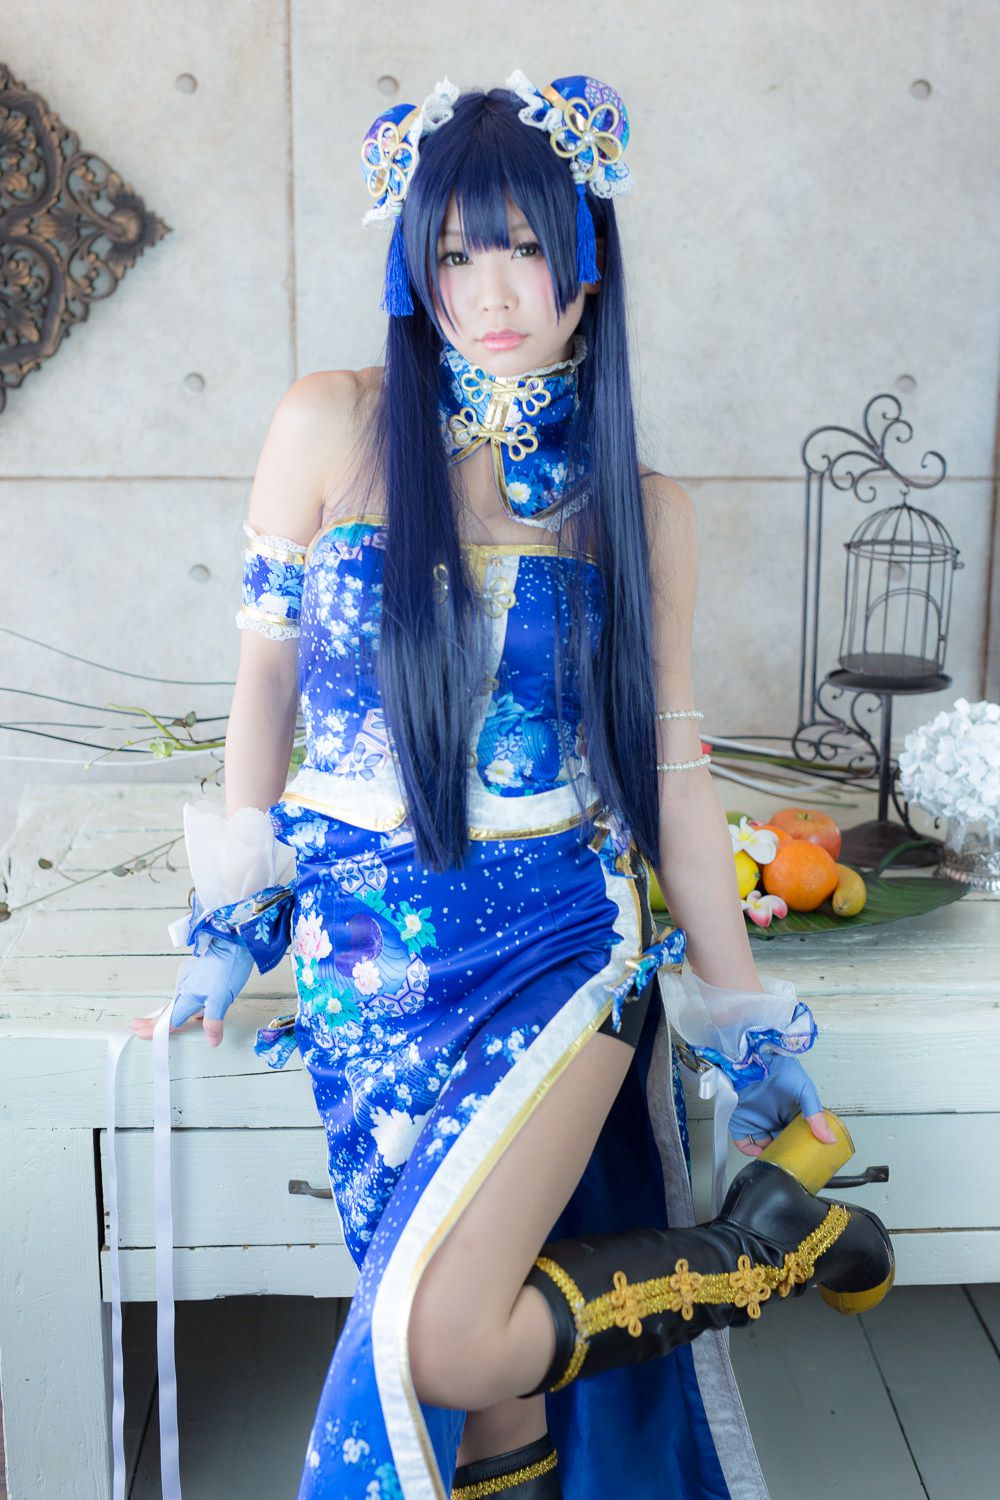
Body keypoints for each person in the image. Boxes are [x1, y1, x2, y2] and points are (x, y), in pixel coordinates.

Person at [130, 72, 893, 1500]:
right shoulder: (328, 424)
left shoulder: (641, 507)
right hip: (364, 960)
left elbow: (671, 776)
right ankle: (773, 1245)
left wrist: (741, 1022)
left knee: (444, 1341)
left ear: (587, 261)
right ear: (413, 267)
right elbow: (265, 687)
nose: (490, 289)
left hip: (562, 945)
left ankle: (762, 1249)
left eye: (527, 245)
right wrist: (234, 916)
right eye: (456, 251)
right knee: (473, 1393)